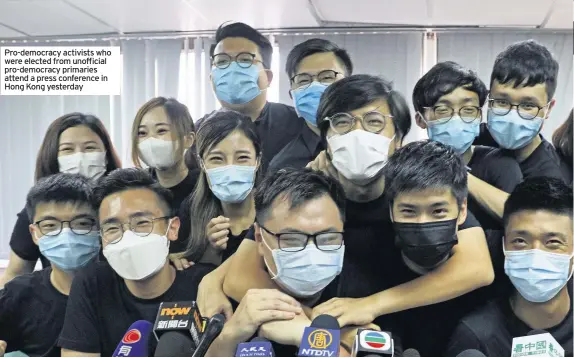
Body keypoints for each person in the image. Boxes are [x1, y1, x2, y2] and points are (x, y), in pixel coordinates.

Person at [205, 76, 492, 335]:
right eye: (342, 123)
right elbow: (241, 273)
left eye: (374, 122)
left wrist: (372, 305)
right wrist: (321, 326)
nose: (358, 134)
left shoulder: (414, 191)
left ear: (399, 138)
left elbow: (477, 267)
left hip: (418, 325)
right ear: (326, 139)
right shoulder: (310, 194)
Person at [58, 169, 214, 357]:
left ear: (172, 228)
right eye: (112, 228)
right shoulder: (93, 283)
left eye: (141, 223)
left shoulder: (205, 285)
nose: (128, 237)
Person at [207, 168, 358, 356]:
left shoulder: (360, 301)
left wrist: (309, 336)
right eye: (292, 239)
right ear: (259, 239)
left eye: (327, 238)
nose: (311, 252)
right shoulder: (225, 307)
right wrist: (228, 338)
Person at [379, 140, 496, 355]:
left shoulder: (497, 265)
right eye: (409, 211)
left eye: (438, 211)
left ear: (462, 212)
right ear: (390, 212)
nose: (423, 223)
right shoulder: (372, 271)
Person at [413, 61, 522, 284]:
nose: (456, 117)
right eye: (442, 109)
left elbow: (522, 217)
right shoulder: (413, 164)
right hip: (427, 280)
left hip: (493, 285)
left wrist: (455, 171)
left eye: (468, 109)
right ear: (420, 120)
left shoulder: (500, 162)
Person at [447, 177, 573, 357]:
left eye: (552, 242)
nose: (535, 255)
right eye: (520, 241)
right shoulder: (476, 338)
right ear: (505, 247)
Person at [0, 113, 121, 287]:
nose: (79, 157)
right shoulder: (39, 211)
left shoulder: (123, 206)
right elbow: (16, 273)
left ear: (106, 154)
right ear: (52, 157)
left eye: (90, 148)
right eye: (67, 150)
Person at [0, 173, 100, 357]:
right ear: (34, 233)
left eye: (82, 223)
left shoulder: (125, 290)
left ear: (100, 227)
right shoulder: (18, 295)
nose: (67, 234)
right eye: (50, 225)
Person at [198, 22, 305, 170]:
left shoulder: (298, 125)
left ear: (268, 77)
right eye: (222, 61)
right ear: (211, 79)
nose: (232, 70)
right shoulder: (197, 132)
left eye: (245, 60)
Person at [184, 110, 262, 266]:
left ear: (257, 160)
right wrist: (211, 252)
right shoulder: (190, 212)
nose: (230, 169)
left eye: (242, 158)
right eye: (217, 159)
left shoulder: (274, 211)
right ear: (202, 163)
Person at [486, 40, 571, 183]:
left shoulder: (554, 180)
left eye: (528, 105)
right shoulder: (477, 139)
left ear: (548, 109)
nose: (512, 116)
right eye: (502, 102)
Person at [268, 38, 352, 172]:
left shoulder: (372, 143)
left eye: (326, 77)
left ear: (349, 85)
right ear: (292, 94)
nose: (315, 86)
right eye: (304, 80)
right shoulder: (285, 166)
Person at [131, 97, 197, 258]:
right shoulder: (134, 188)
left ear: (188, 139)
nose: (151, 141)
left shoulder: (205, 186)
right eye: (142, 133)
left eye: (161, 131)